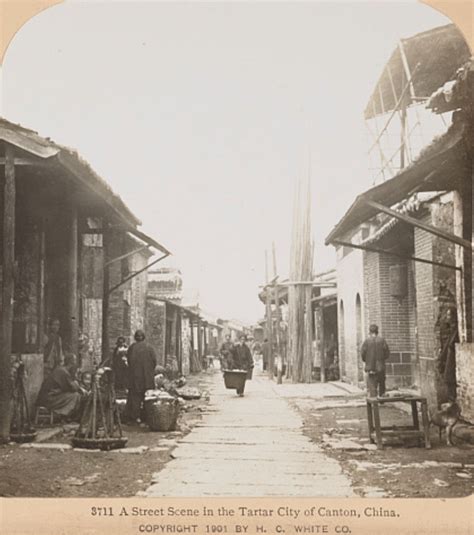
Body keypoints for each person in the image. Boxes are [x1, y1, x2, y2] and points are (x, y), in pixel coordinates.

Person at [36, 353, 87, 421]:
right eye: (74, 359)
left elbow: (68, 386)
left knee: (73, 394)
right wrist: (80, 388)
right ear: (71, 361)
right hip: (48, 399)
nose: (75, 361)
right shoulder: (62, 371)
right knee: (76, 396)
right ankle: (66, 415)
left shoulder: (61, 369)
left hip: (49, 396)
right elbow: (73, 387)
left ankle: (66, 416)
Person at [126, 330, 157, 424]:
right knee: (148, 398)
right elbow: (154, 361)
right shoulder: (150, 347)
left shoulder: (132, 348)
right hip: (147, 378)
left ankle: (135, 418)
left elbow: (129, 362)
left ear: (136, 337)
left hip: (136, 378)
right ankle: (148, 417)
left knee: (135, 398)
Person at [361, 324, 390, 397]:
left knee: (372, 385)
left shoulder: (367, 341)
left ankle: (374, 402)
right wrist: (382, 359)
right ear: (377, 331)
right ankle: (382, 398)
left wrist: (367, 361)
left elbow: (363, 354)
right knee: (382, 382)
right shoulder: (382, 340)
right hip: (380, 367)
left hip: (371, 367)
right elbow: (387, 353)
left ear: (370, 332)